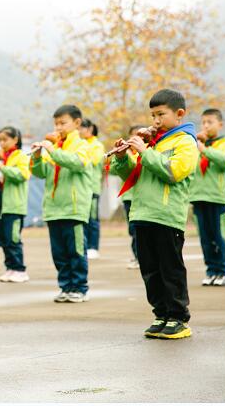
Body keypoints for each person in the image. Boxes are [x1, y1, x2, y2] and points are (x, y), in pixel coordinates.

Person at [110, 89, 199, 339]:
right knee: (150, 270)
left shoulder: (184, 141)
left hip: (167, 215)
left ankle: (178, 318)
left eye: (161, 114)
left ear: (179, 114)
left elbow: (174, 172)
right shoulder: (153, 141)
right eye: (153, 115)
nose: (156, 120)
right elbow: (132, 174)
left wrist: (145, 151)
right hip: (142, 213)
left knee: (170, 269)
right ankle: (161, 314)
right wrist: (122, 157)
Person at [31, 104, 92, 303]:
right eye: (56, 123)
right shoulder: (53, 147)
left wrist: (52, 151)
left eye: (62, 123)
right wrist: (38, 157)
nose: (58, 127)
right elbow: (40, 173)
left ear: (76, 123)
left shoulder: (83, 145)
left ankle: (80, 287)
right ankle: (65, 286)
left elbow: (77, 163)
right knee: (59, 253)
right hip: (53, 208)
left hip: (73, 209)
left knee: (75, 250)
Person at [190, 108, 225, 286]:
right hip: (199, 197)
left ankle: (223, 271)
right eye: (203, 122)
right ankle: (211, 271)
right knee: (205, 238)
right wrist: (199, 147)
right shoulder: (196, 146)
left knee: (221, 236)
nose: (206, 126)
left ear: (220, 124)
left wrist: (204, 149)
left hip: (218, 199)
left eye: (210, 122)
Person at [0, 126, 31, 283]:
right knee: (2, 238)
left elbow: (22, 175)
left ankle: (20, 269)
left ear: (15, 140)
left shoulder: (21, 157)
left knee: (13, 238)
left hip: (13, 205)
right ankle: (10, 267)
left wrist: (3, 168)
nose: (2, 143)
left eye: (5, 140)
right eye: (0, 140)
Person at [109, 125, 145, 270]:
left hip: (141, 196)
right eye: (133, 135)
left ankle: (141, 257)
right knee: (132, 229)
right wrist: (120, 156)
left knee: (140, 230)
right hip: (128, 197)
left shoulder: (146, 151)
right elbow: (112, 169)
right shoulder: (126, 151)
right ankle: (136, 256)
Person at [79, 119, 105, 259]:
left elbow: (94, 160)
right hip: (81, 188)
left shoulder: (97, 145)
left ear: (89, 129)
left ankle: (93, 247)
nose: (79, 132)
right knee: (83, 218)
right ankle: (85, 246)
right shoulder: (80, 144)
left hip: (92, 188)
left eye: (81, 128)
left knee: (92, 218)